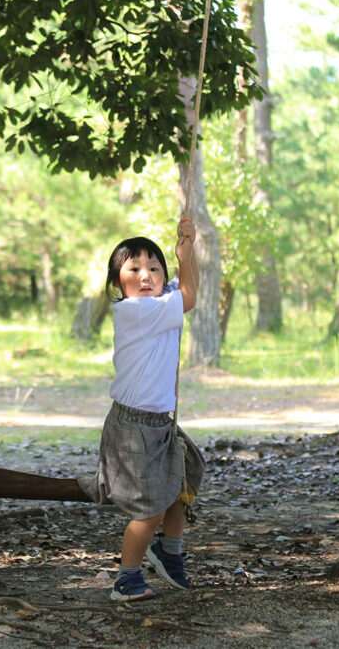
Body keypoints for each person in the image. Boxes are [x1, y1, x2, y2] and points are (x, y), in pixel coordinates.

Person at [78, 216, 206, 601]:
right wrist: (186, 256)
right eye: (134, 269)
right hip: (133, 424)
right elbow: (189, 295)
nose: (146, 275)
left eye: (154, 267)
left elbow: (188, 287)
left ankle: (168, 553)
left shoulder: (159, 302)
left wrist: (189, 250)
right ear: (118, 281)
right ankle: (127, 578)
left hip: (159, 421)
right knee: (150, 508)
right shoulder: (135, 310)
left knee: (182, 485)